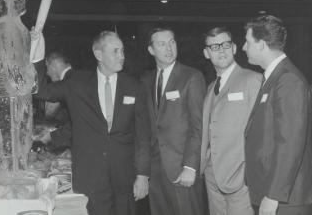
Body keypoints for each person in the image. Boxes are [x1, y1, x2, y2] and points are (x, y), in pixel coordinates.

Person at [31, 30, 151, 215]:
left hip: (124, 175)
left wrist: (143, 174)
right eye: (115, 51)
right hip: (90, 175)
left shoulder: (134, 86)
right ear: (98, 54)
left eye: (122, 51)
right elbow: (41, 90)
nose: (122, 56)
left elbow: (143, 135)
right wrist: (37, 54)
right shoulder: (78, 83)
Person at [242, 15, 312, 215]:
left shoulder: (288, 80)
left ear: (261, 45)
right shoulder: (275, 77)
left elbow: (290, 142)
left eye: (248, 42)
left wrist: (274, 194)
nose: (243, 47)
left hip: (287, 199)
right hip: (276, 193)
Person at [142, 27, 206, 215]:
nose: (169, 48)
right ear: (151, 50)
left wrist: (190, 166)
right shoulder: (146, 80)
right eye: (162, 44)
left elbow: (198, 125)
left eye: (172, 42)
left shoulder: (191, 77)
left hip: (181, 169)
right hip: (155, 171)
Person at [200, 27, 262, 215]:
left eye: (226, 44)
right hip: (213, 177)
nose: (221, 50)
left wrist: (249, 173)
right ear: (206, 53)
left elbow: (261, 133)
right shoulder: (211, 87)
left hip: (241, 179)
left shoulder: (253, 80)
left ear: (234, 48)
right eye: (215, 46)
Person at [34, 52, 73, 150]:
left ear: (54, 65)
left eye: (47, 68)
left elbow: (41, 91)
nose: (46, 73)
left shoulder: (70, 82)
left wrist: (51, 137)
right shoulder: (76, 79)